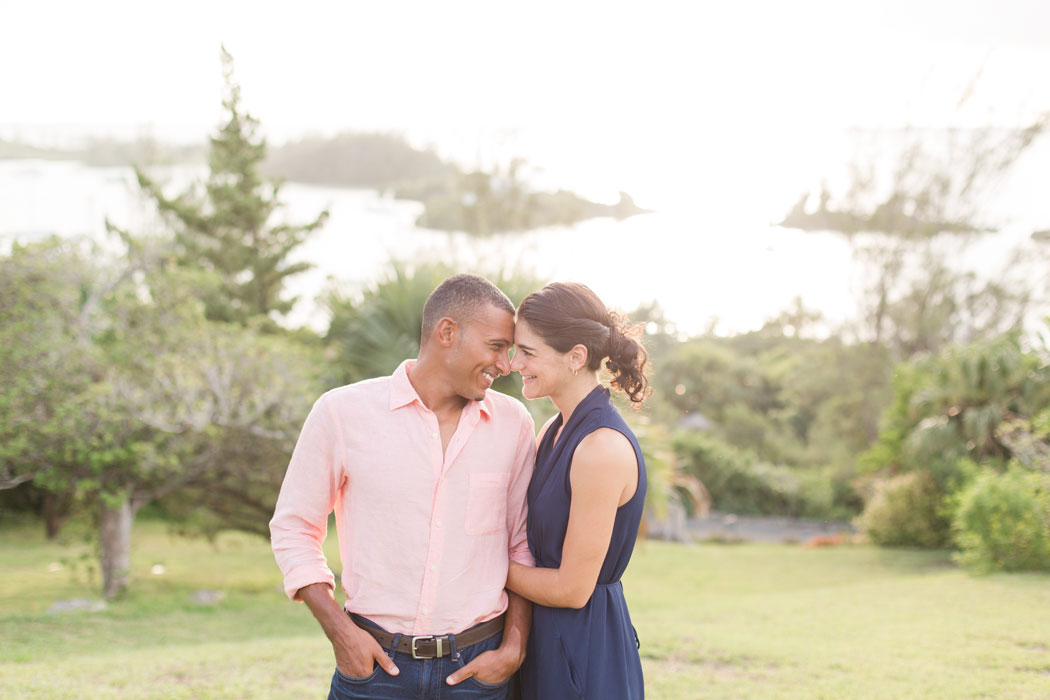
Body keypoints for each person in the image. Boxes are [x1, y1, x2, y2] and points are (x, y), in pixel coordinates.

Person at [270, 273, 537, 700]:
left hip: (478, 671)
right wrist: (341, 635)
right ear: (447, 332)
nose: (505, 365)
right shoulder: (342, 412)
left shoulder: (514, 425)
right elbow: (293, 529)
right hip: (372, 666)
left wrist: (514, 646)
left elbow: (521, 545)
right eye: (496, 347)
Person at [506, 282, 648, 700]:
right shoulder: (552, 428)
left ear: (576, 357)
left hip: (583, 647)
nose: (515, 364)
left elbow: (573, 589)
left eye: (528, 352)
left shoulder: (600, 448)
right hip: (541, 639)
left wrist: (486, 564)